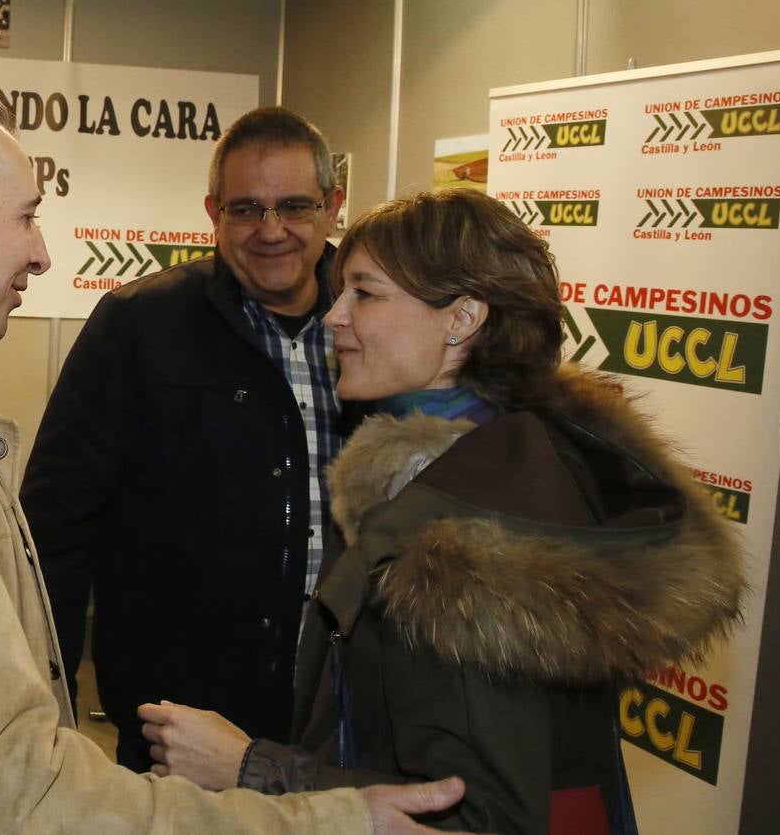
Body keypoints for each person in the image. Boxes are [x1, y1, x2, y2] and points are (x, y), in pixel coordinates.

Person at [0, 87, 470, 833]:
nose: (41, 253)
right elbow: (24, 799)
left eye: (295, 206)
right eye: (27, 216)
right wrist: (329, 821)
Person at [138, 190, 746, 834]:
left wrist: (250, 767)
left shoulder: (464, 536)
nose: (334, 316)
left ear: (463, 317)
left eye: (365, 293)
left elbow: (479, 817)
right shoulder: (502, 466)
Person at [22, 106, 352, 772]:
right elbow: (55, 527)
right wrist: (45, 704)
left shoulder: (377, 326)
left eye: (294, 205)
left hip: (339, 722)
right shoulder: (139, 326)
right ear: (212, 214)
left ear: (333, 207)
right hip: (177, 732)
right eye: (245, 209)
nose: (271, 230)